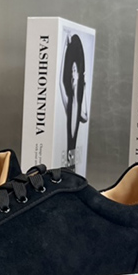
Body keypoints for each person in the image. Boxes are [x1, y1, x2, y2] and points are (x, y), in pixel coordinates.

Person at [60, 34, 89, 172]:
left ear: (79, 74)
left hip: (73, 164)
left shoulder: (79, 109)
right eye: (71, 70)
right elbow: (60, 82)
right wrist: (64, 48)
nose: (72, 74)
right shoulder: (69, 103)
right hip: (67, 164)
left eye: (75, 70)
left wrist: (84, 88)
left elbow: (85, 117)